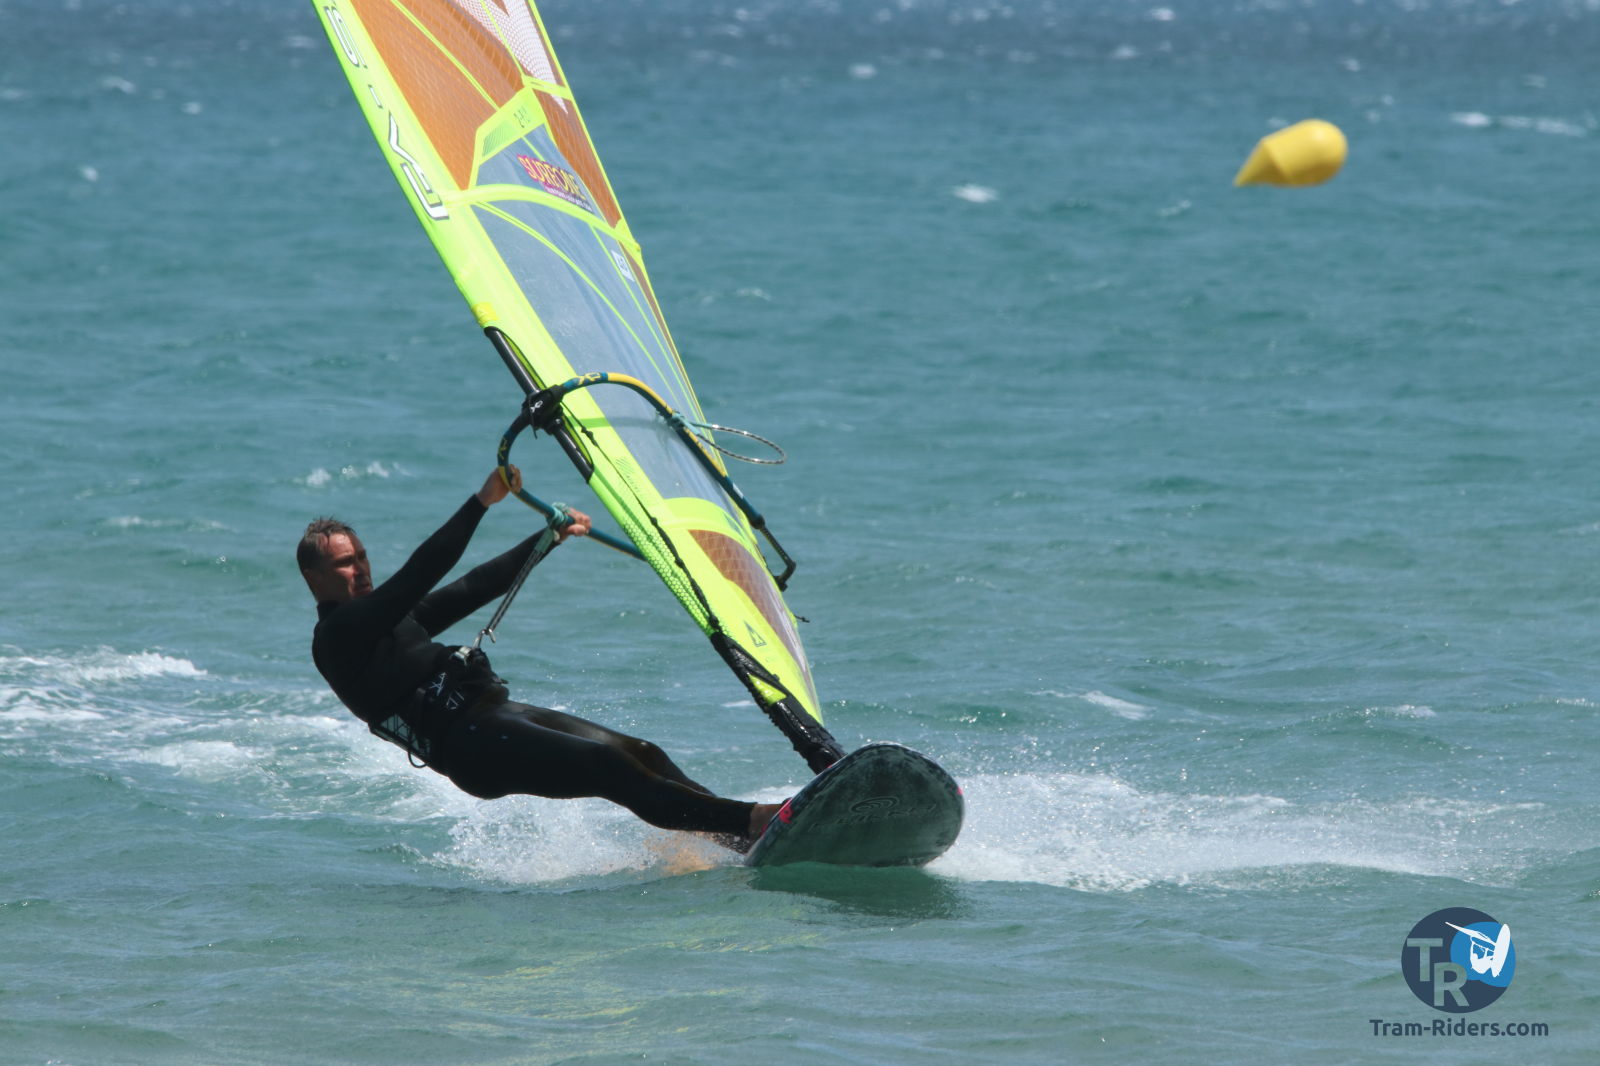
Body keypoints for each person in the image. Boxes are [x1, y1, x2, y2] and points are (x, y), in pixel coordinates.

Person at [298, 465, 782, 848]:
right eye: (345, 563)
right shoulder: (338, 636)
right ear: (314, 577)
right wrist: (481, 502)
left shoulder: (383, 619)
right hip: (471, 747)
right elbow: (423, 571)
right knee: (608, 767)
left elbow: (471, 588)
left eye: (361, 557)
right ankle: (753, 820)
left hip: (494, 716)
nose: (360, 569)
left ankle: (738, 839)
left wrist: (547, 538)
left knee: (642, 753)